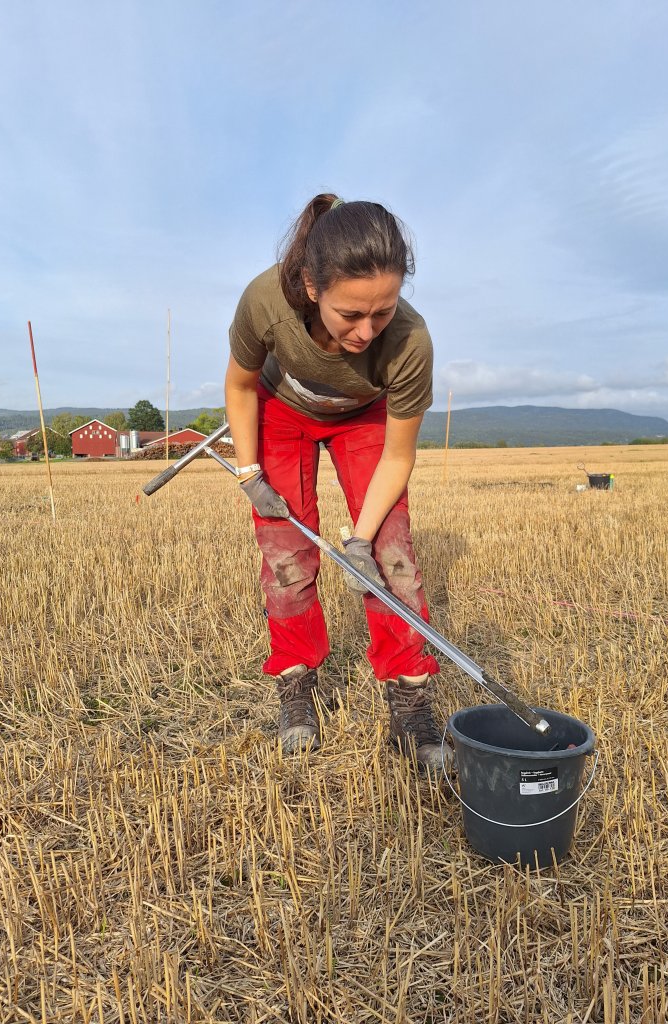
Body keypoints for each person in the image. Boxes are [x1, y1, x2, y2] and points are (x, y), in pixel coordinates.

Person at [225, 193, 448, 772]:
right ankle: (297, 681)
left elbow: (398, 458)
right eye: (351, 314)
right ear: (311, 286)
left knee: (390, 553)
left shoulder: (410, 343)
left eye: (384, 310)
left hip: (364, 416)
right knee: (286, 557)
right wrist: (250, 474)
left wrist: (359, 540)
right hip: (283, 410)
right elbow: (242, 386)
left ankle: (409, 695)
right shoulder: (265, 300)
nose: (368, 330)